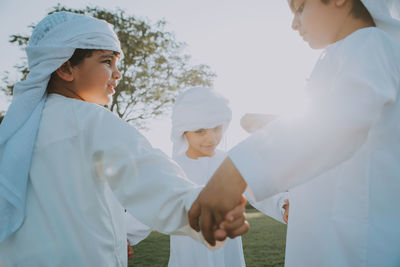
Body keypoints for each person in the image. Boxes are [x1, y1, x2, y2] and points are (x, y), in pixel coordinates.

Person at [0, 12, 247, 267]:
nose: (117, 74)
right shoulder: (90, 120)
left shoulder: (17, 134)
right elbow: (148, 172)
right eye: (107, 61)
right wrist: (203, 208)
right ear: (65, 67)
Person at [189, 0, 400, 266]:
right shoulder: (344, 55)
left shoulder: (371, 44)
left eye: (300, 8)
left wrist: (237, 169)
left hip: (357, 252)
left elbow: (339, 122)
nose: (294, 24)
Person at [169, 87, 288, 267]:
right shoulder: (173, 167)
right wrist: (128, 235)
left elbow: (257, 188)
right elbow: (150, 202)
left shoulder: (231, 161)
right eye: (200, 131)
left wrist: (283, 204)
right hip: (188, 253)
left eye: (216, 128)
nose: (211, 138)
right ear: (183, 131)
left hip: (227, 252)